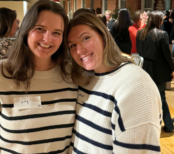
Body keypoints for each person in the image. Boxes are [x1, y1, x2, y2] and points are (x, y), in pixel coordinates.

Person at [0, 0, 78, 153]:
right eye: (40, 29)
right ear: (26, 30)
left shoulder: (72, 76)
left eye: (56, 33)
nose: (47, 38)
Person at [67, 12, 162, 153]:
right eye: (72, 45)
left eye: (86, 38)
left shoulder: (135, 84)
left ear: (103, 36)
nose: (80, 50)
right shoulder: (86, 78)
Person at [136, 11, 174, 133]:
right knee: (160, 97)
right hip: (160, 69)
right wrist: (171, 69)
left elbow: (139, 51)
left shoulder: (140, 33)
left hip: (144, 68)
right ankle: (168, 125)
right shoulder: (162, 34)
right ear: (159, 21)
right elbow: (167, 55)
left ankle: (146, 124)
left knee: (146, 98)